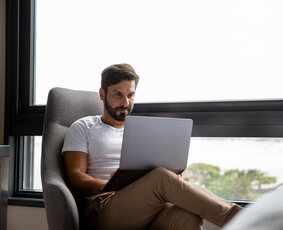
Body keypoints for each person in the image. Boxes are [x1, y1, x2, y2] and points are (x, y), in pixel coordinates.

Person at [62, 63, 243, 230]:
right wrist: (112, 184)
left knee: (187, 218)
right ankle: (246, 221)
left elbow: (182, 178)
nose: (125, 102)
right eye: (118, 94)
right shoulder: (84, 126)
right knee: (160, 177)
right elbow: (75, 176)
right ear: (102, 94)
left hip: (155, 206)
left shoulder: (146, 130)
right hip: (106, 208)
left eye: (130, 95)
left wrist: (177, 174)